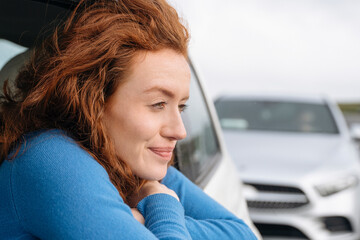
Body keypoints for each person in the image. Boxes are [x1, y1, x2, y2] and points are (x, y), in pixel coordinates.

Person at [0, 0, 257, 239]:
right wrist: (163, 206)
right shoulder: (48, 157)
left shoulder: (131, 161)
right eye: (158, 104)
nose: (180, 131)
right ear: (93, 101)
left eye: (181, 107)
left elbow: (243, 233)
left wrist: (144, 220)